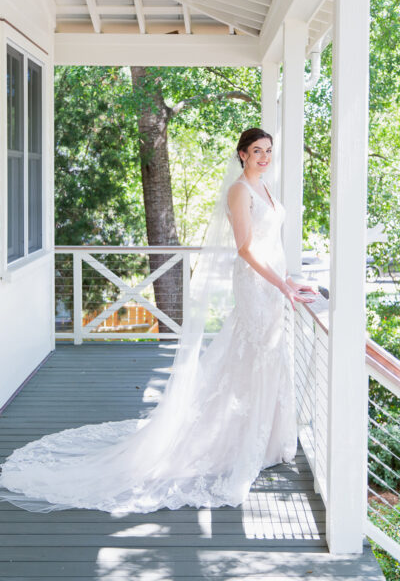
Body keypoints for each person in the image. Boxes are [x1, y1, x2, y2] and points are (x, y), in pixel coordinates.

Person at [0, 128, 317, 514]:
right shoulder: (240, 191)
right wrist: (283, 285)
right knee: (249, 357)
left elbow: (272, 243)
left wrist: (291, 281)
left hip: (276, 286)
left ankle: (266, 439)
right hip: (257, 285)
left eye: (269, 150)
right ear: (242, 155)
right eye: (257, 151)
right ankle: (233, 441)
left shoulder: (266, 187)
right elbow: (246, 249)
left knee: (266, 356)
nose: (265, 156)